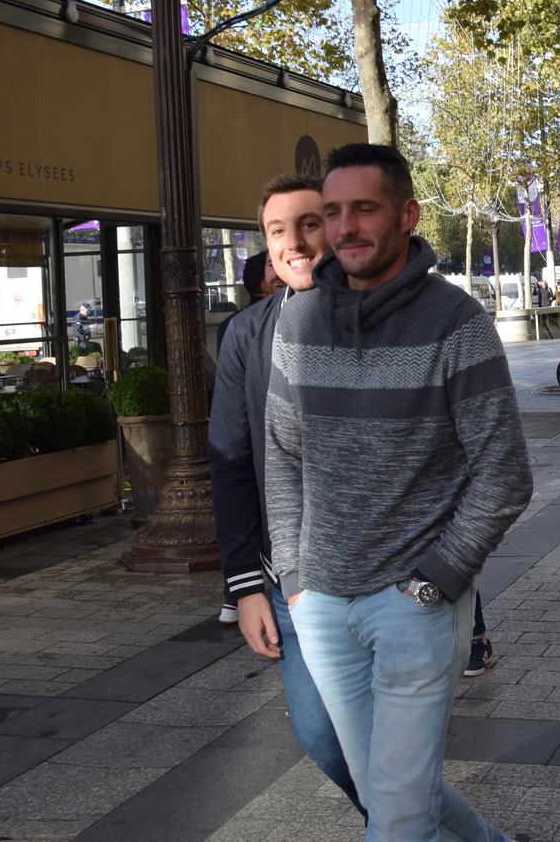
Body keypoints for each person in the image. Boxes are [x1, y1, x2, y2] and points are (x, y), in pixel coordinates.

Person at [266, 143, 531, 842]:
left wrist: (433, 583)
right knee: (389, 789)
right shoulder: (297, 321)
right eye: (332, 212)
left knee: (398, 816)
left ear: (407, 215)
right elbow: (282, 456)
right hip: (322, 604)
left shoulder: (455, 323)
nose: (344, 227)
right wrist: (294, 579)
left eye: (364, 209)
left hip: (413, 603)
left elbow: (504, 473)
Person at [209, 172, 366, 819]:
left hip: (386, 577)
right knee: (322, 737)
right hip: (294, 586)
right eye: (278, 230)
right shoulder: (247, 335)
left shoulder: (383, 320)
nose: (294, 242)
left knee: (392, 748)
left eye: (309, 224)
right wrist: (245, 587)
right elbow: (229, 463)